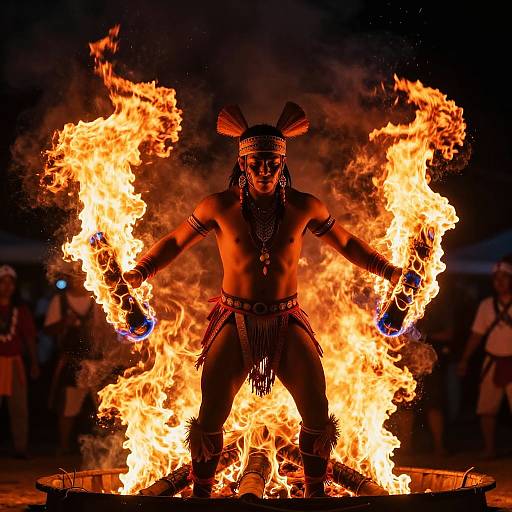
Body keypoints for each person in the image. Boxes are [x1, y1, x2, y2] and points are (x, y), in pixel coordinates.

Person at [124, 103, 401, 497]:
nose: (265, 170)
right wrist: (141, 270)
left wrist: (389, 271)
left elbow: (347, 243)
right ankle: (202, 497)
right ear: (242, 163)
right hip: (233, 321)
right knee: (210, 418)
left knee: (318, 413)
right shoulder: (218, 206)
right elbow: (174, 241)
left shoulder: (305, 206)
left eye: (272, 162)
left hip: (287, 322)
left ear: (283, 164)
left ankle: (315, 494)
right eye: (256, 162)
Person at [458, 255, 512, 458]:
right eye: (496, 278)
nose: (500, 281)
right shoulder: (486, 306)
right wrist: (464, 359)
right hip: (493, 361)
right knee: (486, 409)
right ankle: (489, 448)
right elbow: (476, 335)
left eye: (504, 277)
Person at [44, 272, 101, 455]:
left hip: (96, 362)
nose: (79, 280)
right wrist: (64, 323)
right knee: (69, 406)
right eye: (75, 277)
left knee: (104, 405)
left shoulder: (97, 299)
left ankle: (105, 447)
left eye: (82, 276)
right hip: (71, 362)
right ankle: (64, 446)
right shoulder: (59, 301)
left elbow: (105, 330)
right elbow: (48, 329)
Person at [0, 264, 40, 458]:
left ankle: (20, 448)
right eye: (2, 282)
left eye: (10, 283)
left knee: (19, 408)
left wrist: (33, 363)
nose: (7, 287)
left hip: (15, 364)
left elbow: (30, 337)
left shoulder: (21, 310)